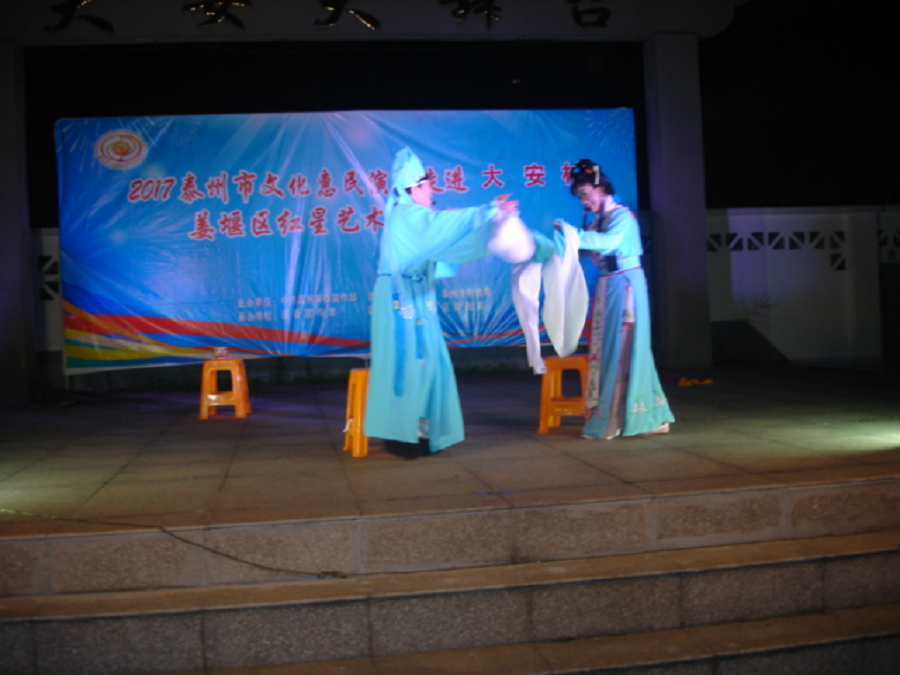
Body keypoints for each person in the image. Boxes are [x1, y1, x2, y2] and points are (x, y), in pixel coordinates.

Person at [365, 147, 519, 457]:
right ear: (413, 188)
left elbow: (450, 243)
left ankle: (421, 432)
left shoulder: (414, 219)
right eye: (426, 184)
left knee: (428, 363)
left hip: (418, 296)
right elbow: (443, 227)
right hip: (400, 299)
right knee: (406, 365)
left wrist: (494, 230)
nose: (431, 190)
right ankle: (401, 436)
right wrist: (488, 210)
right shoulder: (407, 215)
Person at [557, 159, 674, 440]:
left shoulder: (622, 217)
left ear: (601, 189)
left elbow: (605, 243)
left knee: (624, 349)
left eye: (585, 194)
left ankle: (628, 418)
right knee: (610, 349)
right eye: (580, 197)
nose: (584, 202)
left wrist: (571, 234)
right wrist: (544, 245)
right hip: (608, 285)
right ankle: (642, 416)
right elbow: (578, 250)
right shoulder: (598, 222)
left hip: (625, 285)